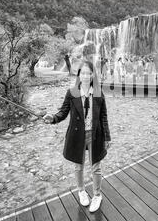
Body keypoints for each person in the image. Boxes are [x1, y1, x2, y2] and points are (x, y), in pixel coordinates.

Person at [43, 60, 111, 212]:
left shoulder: (99, 93)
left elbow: (103, 117)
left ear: (93, 75)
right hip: (77, 135)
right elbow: (63, 112)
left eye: (89, 73)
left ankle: (97, 195)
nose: (86, 76)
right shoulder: (72, 92)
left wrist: (107, 137)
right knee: (78, 166)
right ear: (79, 75)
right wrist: (53, 118)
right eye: (83, 73)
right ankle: (81, 191)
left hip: (95, 135)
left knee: (96, 167)